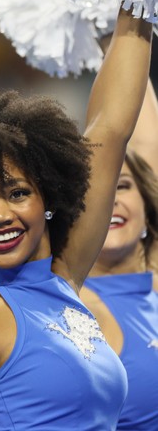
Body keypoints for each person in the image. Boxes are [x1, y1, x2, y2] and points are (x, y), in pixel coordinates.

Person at [0, 7, 152, 431]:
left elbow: (110, 130)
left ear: (49, 199)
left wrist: (136, 4)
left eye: (18, 193)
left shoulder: (63, 277)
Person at [79, 77, 158, 429]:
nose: (109, 200)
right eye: (92, 194)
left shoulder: (153, 275)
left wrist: (115, 33)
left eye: (123, 186)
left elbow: (146, 144)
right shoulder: (64, 298)